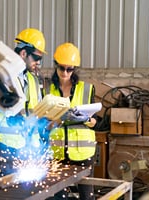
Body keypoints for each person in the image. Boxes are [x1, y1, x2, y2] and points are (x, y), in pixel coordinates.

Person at [0, 28, 46, 181]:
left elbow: (35, 114)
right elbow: (7, 105)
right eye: (36, 57)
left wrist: (37, 148)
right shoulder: (0, 75)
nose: (38, 62)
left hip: (22, 150)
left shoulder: (33, 81)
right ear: (23, 53)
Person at [46, 43, 97, 200]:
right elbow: (42, 117)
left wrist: (90, 121)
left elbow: (95, 120)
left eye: (70, 69)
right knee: (58, 197)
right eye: (62, 68)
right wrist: (51, 121)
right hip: (57, 153)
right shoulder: (47, 89)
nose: (65, 72)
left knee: (86, 197)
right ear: (56, 66)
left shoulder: (87, 89)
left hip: (83, 152)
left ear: (75, 69)